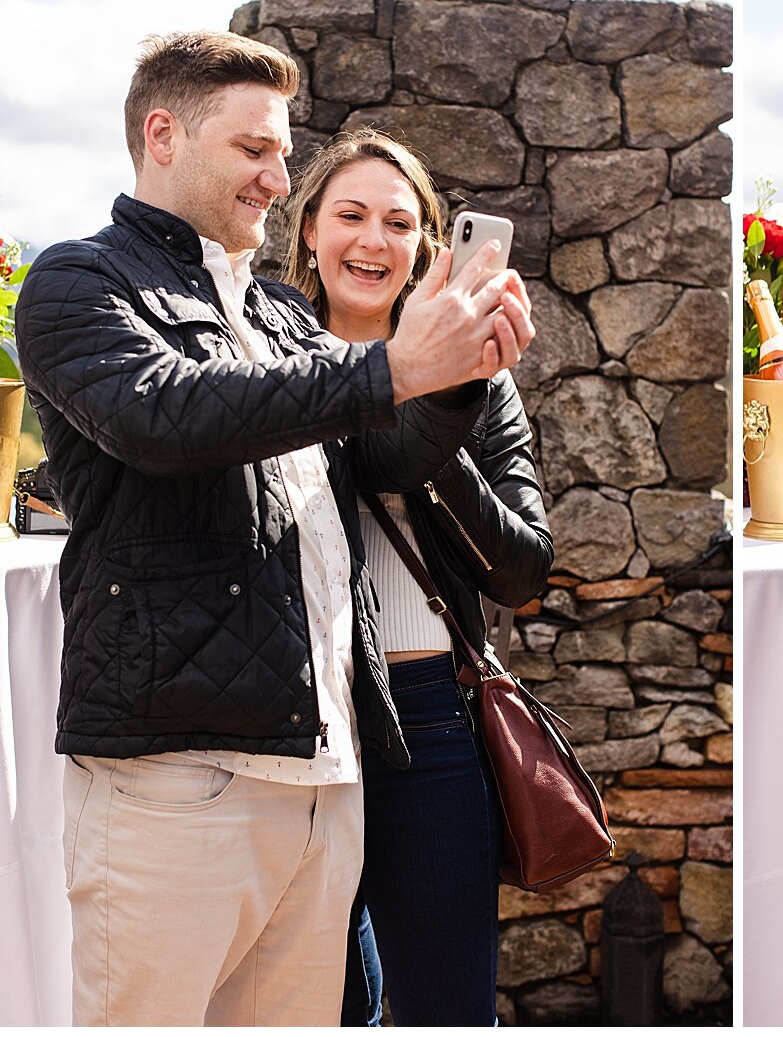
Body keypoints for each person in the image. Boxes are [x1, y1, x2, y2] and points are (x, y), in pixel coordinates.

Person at [15, 31, 535, 1026]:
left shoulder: (286, 319)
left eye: (283, 151)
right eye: (254, 148)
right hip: (179, 782)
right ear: (161, 134)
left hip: (325, 774)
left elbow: (382, 466)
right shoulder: (80, 284)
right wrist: (390, 369)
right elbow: (165, 417)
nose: (277, 175)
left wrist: (458, 368)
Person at [277, 129, 552, 1026]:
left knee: (447, 1007)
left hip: (429, 711)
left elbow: (522, 570)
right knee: (326, 1004)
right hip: (298, 714)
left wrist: (440, 421)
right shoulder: (267, 359)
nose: (372, 240)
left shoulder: (475, 381)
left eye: (399, 222)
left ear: (429, 246)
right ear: (309, 228)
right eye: (349, 214)